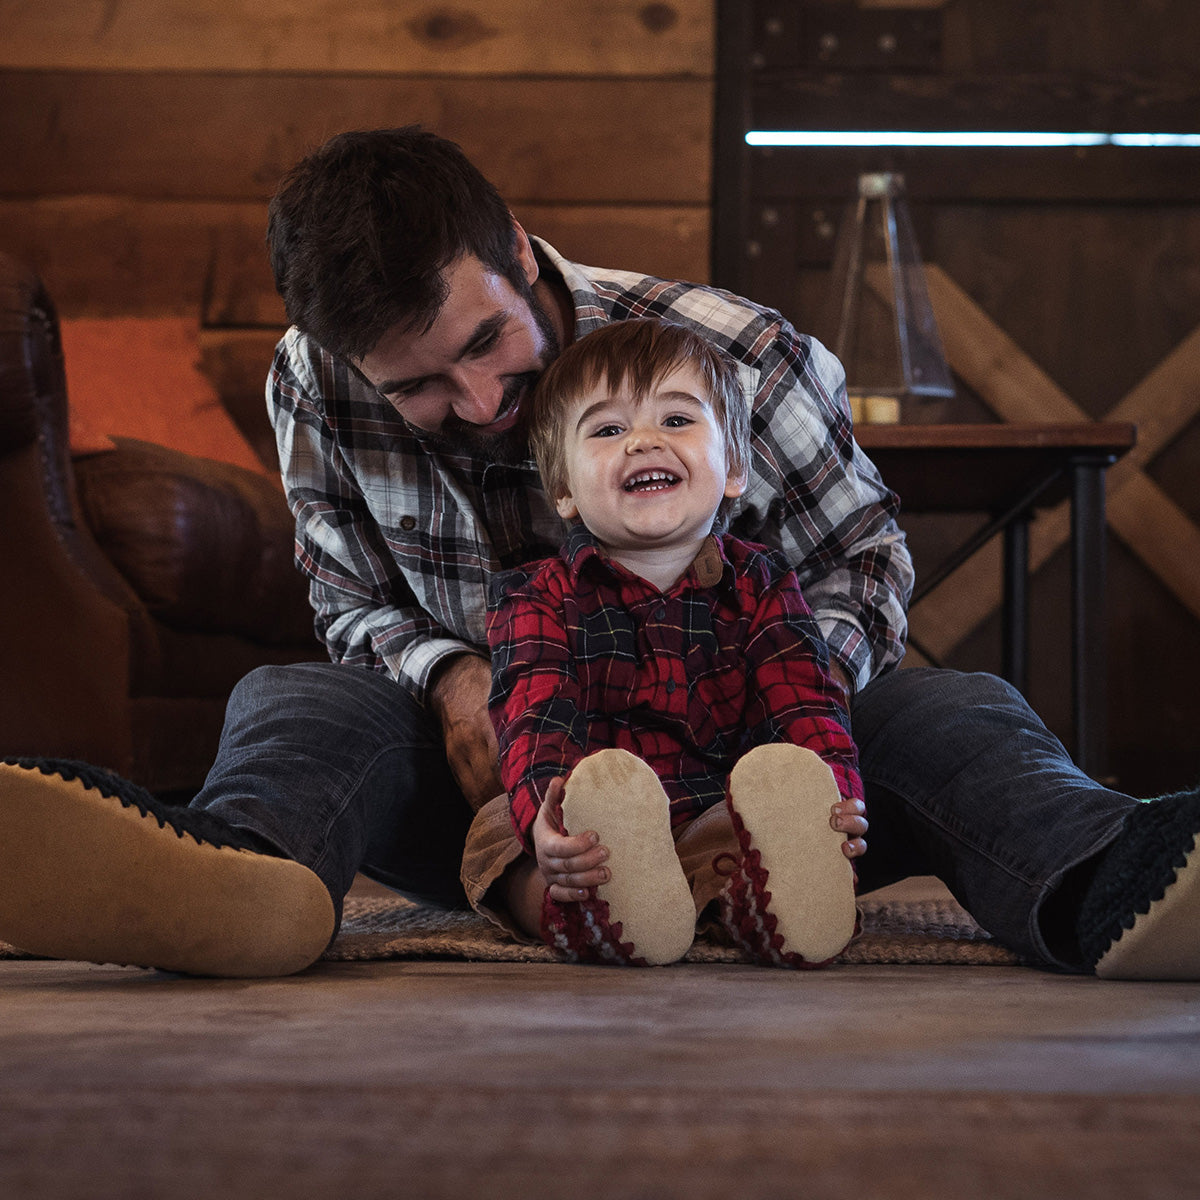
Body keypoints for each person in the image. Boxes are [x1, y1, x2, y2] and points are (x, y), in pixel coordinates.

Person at [1, 125, 1197, 980]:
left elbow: (865, 559)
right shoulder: (311, 382)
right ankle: (238, 878)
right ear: (345, 359)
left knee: (959, 711)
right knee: (296, 699)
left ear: (519, 253)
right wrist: (456, 679)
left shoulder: (740, 358)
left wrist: (791, 710)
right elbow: (348, 598)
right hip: (511, 790)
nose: (476, 404)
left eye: (484, 344)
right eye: (414, 385)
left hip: (768, 773)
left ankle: (1116, 878)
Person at [475, 316, 861, 967]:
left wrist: (835, 798)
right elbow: (536, 715)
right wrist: (548, 817)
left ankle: (760, 905)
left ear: (734, 467)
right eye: (608, 429)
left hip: (713, 809)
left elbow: (805, 702)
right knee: (494, 840)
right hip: (594, 825)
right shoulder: (535, 596)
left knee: (757, 815)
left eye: (677, 421)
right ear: (564, 490)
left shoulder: (764, 585)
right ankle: (592, 906)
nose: (643, 441)